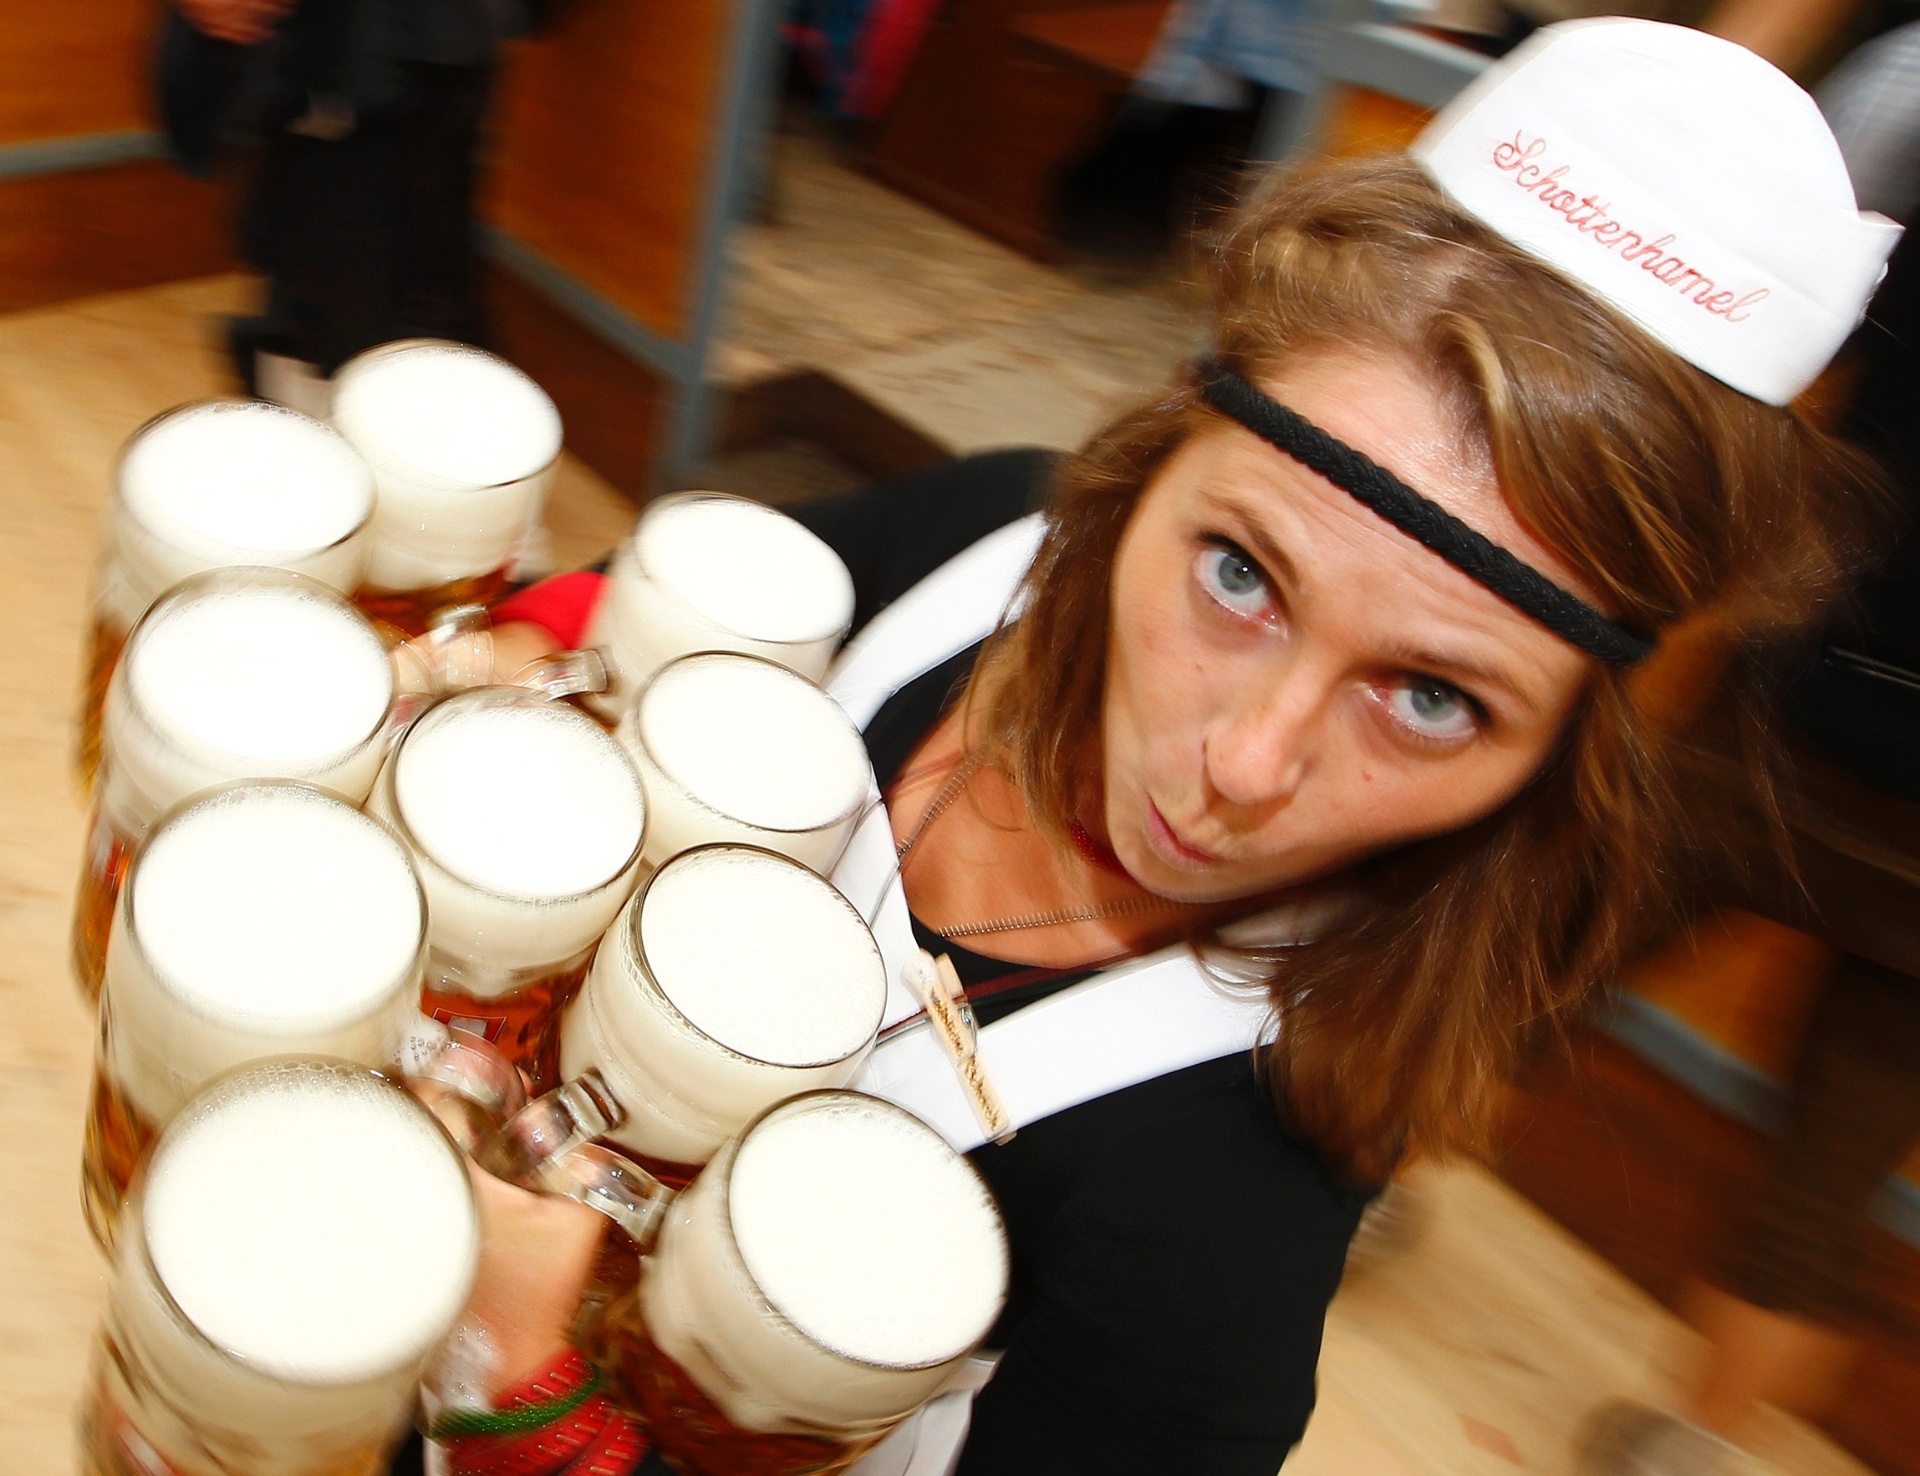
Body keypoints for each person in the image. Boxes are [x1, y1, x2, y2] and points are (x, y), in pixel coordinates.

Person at [410, 20, 1901, 1475]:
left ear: (1557, 749)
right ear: (1156, 461)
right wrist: (502, 659)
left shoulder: (1215, 1230)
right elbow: (634, 608)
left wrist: (527, 1402)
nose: (1244, 766)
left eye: (1433, 698)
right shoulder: (982, 540)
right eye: (1240, 573)